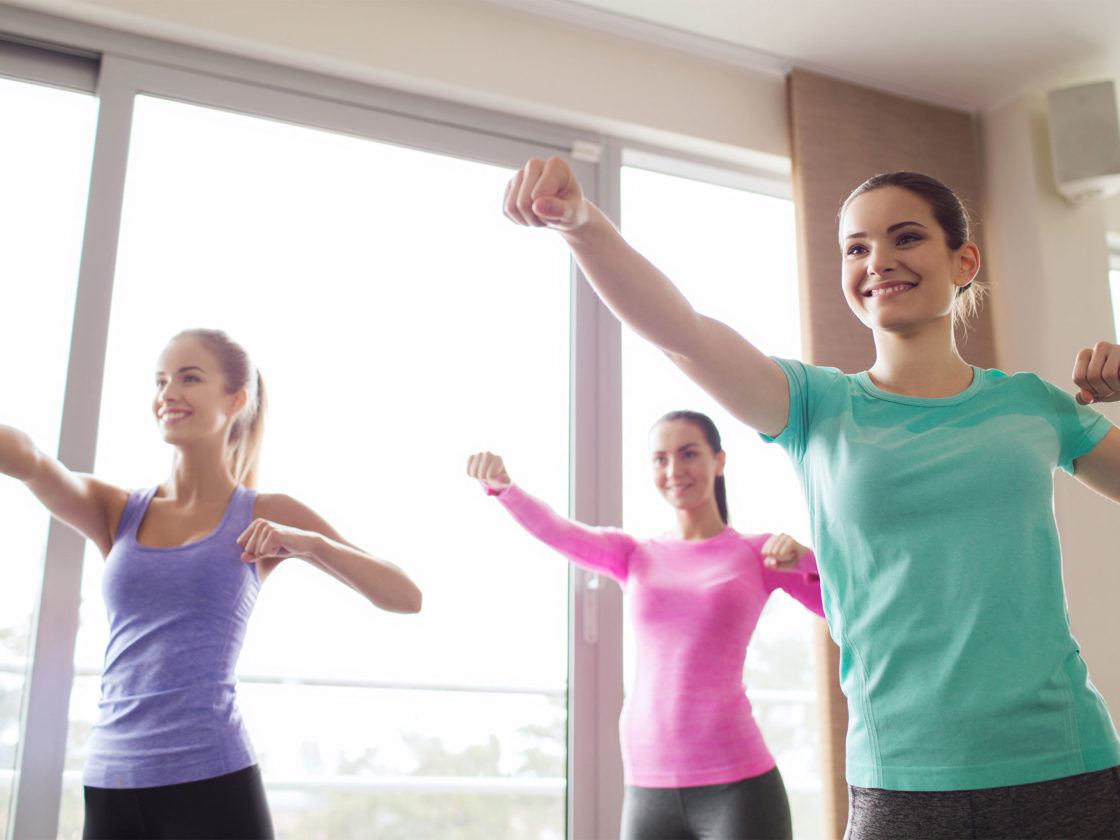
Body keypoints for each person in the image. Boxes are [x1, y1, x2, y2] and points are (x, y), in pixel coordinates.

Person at [502, 159, 1120, 838]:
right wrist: (584, 227)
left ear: (963, 260)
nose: (878, 260)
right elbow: (682, 333)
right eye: (856, 248)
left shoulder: (1035, 405)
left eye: (906, 237)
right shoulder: (816, 406)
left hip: (1068, 765)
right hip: (902, 782)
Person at [0, 328, 422, 839]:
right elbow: (34, 462)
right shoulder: (116, 510)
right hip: (110, 779)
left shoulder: (265, 512)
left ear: (235, 399)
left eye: (189, 378)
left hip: (211, 782)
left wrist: (310, 544)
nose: (167, 393)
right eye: (160, 381)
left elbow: (405, 597)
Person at [468, 408, 823, 840]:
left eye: (688, 454)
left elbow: (842, 609)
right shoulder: (635, 554)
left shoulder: (760, 552)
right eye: (660, 459)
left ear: (720, 461)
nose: (674, 470)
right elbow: (560, 532)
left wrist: (805, 559)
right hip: (646, 781)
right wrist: (505, 489)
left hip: (737, 784)